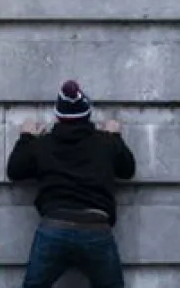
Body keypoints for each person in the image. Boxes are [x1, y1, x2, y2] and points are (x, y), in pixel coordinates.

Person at [7, 80, 136, 288]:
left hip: (54, 227)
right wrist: (115, 137)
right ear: (87, 115)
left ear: (58, 116)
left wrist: (26, 137)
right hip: (96, 228)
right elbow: (128, 170)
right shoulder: (105, 143)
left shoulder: (43, 145)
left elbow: (14, 171)